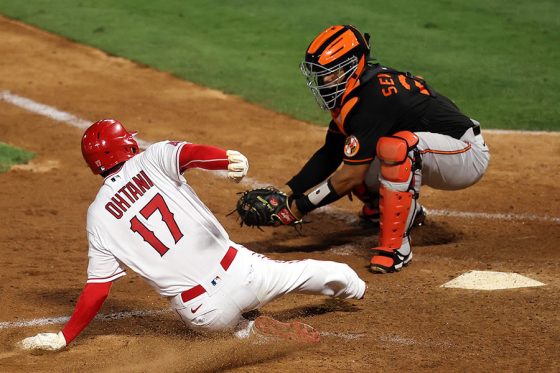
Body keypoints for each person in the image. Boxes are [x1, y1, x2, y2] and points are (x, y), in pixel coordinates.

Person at [20, 119, 366, 351]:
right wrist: (225, 160)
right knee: (320, 273)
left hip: (204, 313)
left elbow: (98, 290)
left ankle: (249, 332)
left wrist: (64, 337)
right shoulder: (152, 158)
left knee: (227, 332)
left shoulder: (97, 215)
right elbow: (190, 153)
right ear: (124, 146)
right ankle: (356, 289)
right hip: (245, 273)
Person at [276, 25, 490, 274]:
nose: (323, 82)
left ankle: (396, 248)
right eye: (320, 75)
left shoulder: (374, 97)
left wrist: (297, 208)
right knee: (356, 150)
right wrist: (284, 194)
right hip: (430, 151)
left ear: (350, 67)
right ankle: (385, 210)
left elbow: (349, 177)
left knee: (396, 149)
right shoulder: (353, 93)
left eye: (329, 74)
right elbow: (330, 153)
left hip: (464, 155)